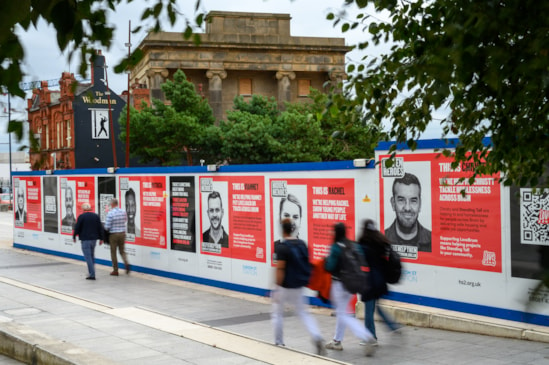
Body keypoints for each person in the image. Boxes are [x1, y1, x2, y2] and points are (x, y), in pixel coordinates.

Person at [271, 218, 326, 356]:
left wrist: (276, 288)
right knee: (304, 314)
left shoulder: (282, 248)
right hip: (299, 287)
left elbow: (280, 269)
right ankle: (316, 336)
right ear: (292, 229)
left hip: (285, 287)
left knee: (277, 313)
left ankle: (279, 341)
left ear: (282, 230)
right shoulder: (302, 244)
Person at [324, 222, 377, 356]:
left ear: (336, 233)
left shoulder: (336, 247)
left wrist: (326, 262)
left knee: (344, 314)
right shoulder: (353, 245)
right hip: (351, 284)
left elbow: (330, 267)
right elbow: (361, 261)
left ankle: (367, 336)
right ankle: (337, 340)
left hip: (339, 284)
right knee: (343, 312)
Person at [359, 219, 402, 345]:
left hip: (370, 282)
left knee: (369, 310)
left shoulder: (364, 245)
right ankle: (393, 326)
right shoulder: (381, 243)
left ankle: (371, 338)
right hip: (380, 281)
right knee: (376, 308)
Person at [385, 172, 432, 252]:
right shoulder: (383, 239)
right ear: (393, 203)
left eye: (413, 201)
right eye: (401, 200)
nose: (407, 208)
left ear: (420, 204)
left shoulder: (432, 240)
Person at [72, 203, 103, 280]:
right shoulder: (96, 216)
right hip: (94, 240)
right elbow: (100, 228)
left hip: (85, 239)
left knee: (88, 257)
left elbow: (77, 227)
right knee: (92, 256)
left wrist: (74, 236)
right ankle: (91, 273)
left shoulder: (81, 217)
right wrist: (102, 238)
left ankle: (92, 274)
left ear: (83, 209)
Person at [104, 198, 131, 276]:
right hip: (122, 234)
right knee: (122, 251)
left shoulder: (110, 213)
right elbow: (125, 220)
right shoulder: (123, 212)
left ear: (112, 204)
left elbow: (107, 227)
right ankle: (126, 263)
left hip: (113, 235)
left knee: (113, 252)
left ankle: (115, 270)